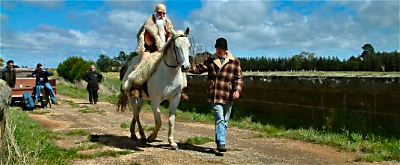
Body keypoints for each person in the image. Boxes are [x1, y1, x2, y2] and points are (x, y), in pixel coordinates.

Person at [189, 38, 244, 152]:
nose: (218, 50)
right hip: (215, 95)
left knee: (225, 120)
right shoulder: (210, 60)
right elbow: (199, 69)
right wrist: (186, 67)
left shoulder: (234, 62)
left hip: (229, 96)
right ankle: (221, 143)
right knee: (219, 118)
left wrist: (237, 91)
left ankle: (219, 140)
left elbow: (239, 78)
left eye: (220, 48)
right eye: (217, 48)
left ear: (225, 49)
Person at [131, 3, 189, 100]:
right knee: (142, 64)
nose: (162, 15)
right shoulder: (148, 25)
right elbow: (147, 39)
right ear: (155, 12)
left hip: (166, 50)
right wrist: (155, 46)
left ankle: (181, 89)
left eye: (164, 13)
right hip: (152, 49)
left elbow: (171, 38)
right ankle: (136, 87)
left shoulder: (168, 25)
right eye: (160, 13)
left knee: (179, 63)